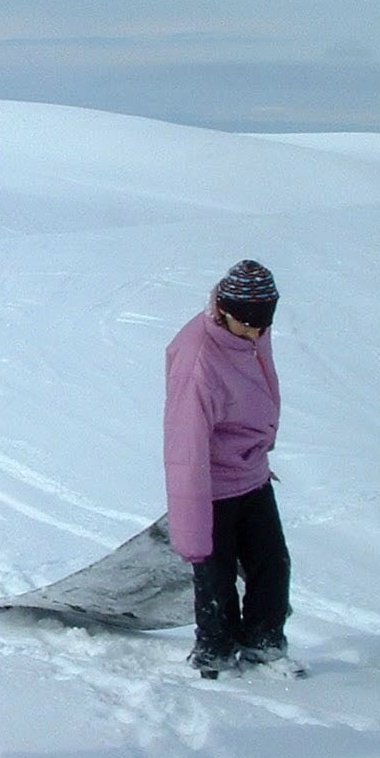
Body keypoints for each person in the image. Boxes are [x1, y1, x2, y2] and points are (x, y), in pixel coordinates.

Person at [163, 259, 292, 674]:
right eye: (248, 325)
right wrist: (192, 536)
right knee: (215, 577)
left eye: (262, 324)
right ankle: (214, 652)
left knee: (272, 565)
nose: (256, 333)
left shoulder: (249, 331)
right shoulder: (199, 360)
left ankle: (264, 643)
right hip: (212, 484)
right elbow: (185, 449)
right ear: (224, 311)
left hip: (252, 472)